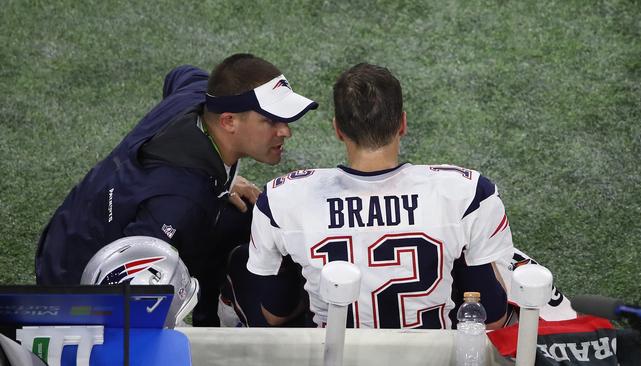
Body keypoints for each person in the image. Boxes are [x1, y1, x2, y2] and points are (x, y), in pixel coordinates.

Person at [35, 53, 318, 326]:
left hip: (69, 229)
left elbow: (180, 74)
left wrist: (226, 182)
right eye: (270, 121)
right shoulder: (180, 202)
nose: (285, 131)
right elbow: (134, 287)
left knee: (247, 216)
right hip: (74, 283)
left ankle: (212, 320)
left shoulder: (197, 96)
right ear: (229, 121)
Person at [234, 63, 514, 329]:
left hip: (334, 355)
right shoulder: (469, 193)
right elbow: (492, 318)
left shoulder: (281, 198)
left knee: (239, 260)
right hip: (430, 355)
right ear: (402, 124)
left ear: (338, 130)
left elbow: (275, 313)